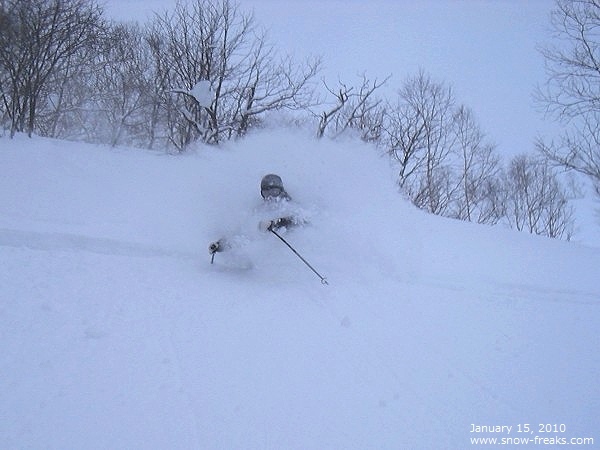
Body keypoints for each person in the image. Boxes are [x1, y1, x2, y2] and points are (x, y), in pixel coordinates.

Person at [208, 174, 302, 258]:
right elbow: (243, 233)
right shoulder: (259, 211)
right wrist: (221, 244)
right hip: (264, 259)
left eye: (274, 192)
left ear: (281, 191)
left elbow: (298, 221)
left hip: (286, 255)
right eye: (266, 193)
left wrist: (276, 223)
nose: (270, 197)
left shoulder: (289, 205)